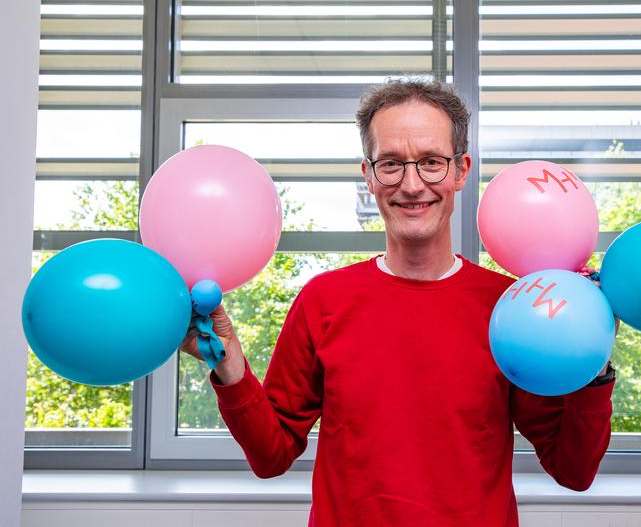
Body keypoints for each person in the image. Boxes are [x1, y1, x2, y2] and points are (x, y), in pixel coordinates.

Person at [180, 79, 616, 527]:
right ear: (368, 173)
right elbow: (271, 456)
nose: (411, 185)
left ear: (461, 171)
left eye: (431, 162)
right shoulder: (323, 301)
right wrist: (230, 365)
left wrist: (594, 358)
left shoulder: (509, 308)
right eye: (390, 163)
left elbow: (573, 470)